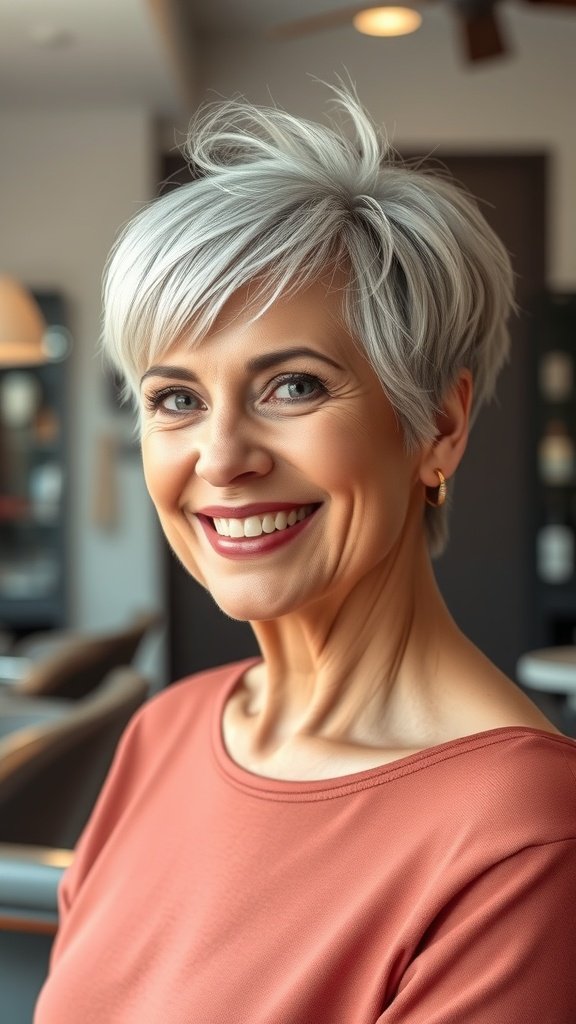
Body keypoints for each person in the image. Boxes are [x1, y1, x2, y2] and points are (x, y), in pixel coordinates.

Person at [35, 86, 576, 1023]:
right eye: (175, 398)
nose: (221, 458)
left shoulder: (522, 838)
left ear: (438, 426)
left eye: (291, 384)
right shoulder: (166, 730)